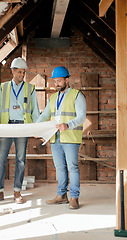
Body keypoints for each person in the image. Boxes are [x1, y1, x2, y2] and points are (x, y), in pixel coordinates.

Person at [0, 57, 40, 204]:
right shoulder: (4, 87)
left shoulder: (30, 88)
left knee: (20, 160)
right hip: (6, 126)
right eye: (20, 72)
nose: (22, 75)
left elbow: (35, 110)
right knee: (0, 160)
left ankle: (17, 191)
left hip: (22, 127)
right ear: (13, 71)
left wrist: (38, 128)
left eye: (24, 72)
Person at [37, 66, 86, 209]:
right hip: (55, 138)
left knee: (73, 167)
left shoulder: (77, 95)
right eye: (55, 81)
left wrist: (68, 125)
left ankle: (74, 198)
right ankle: (61, 196)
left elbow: (82, 116)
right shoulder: (52, 98)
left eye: (59, 81)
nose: (56, 84)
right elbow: (44, 116)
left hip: (70, 137)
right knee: (60, 168)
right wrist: (36, 128)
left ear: (67, 80)